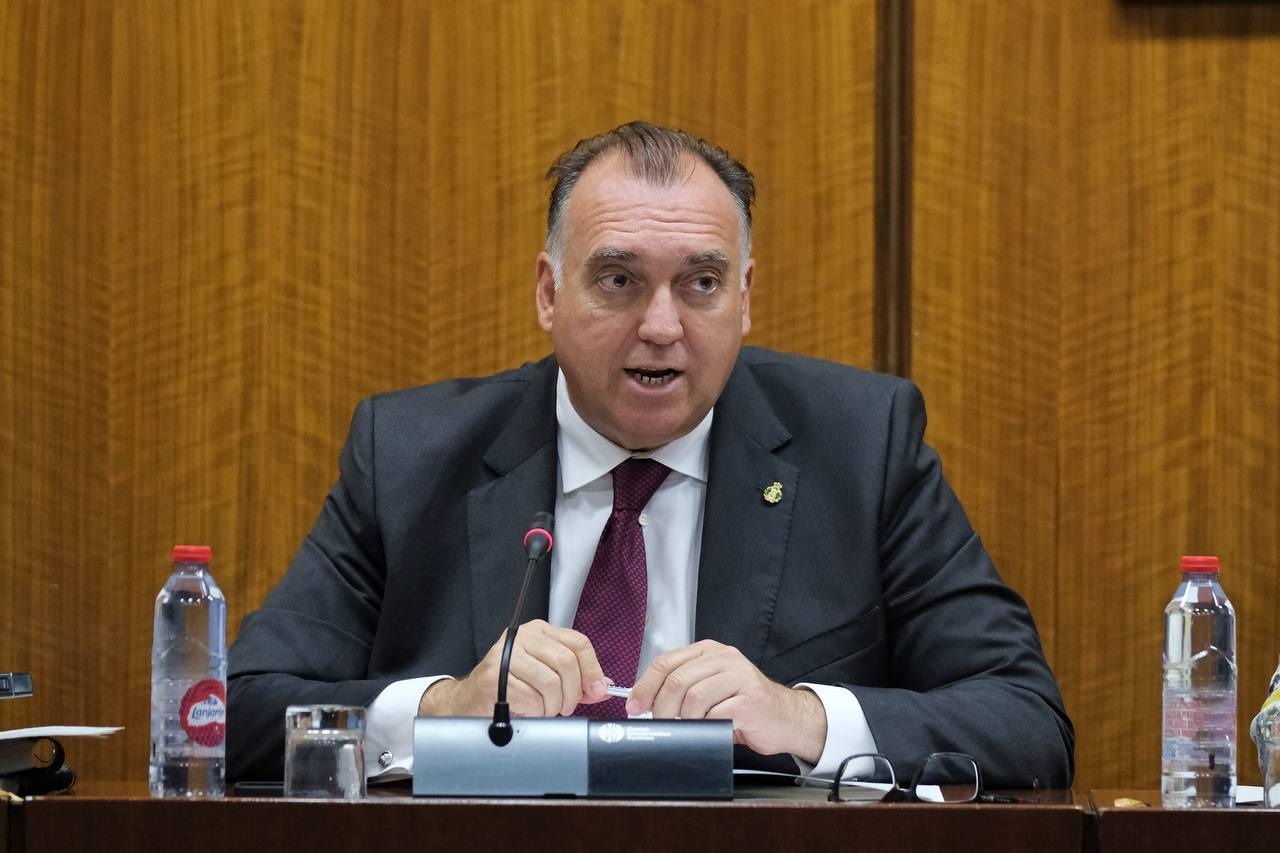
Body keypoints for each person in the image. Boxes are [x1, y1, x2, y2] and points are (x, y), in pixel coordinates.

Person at [227, 121, 1074, 788]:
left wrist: (803, 718)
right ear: (549, 292)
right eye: (619, 280)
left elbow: (1025, 718)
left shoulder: (862, 445)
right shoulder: (412, 455)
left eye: (701, 283)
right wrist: (442, 708)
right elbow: (236, 712)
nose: (662, 326)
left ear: (745, 298)